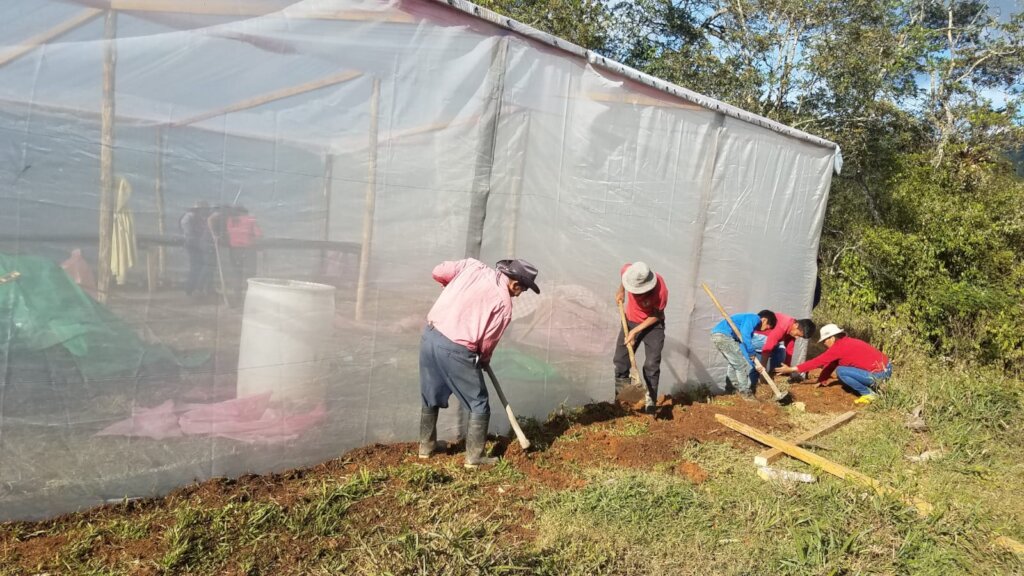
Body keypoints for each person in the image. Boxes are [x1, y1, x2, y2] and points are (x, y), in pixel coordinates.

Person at [419, 258, 540, 468]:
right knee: (479, 402)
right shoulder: (504, 303)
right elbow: (487, 342)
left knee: (430, 394)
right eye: (523, 290)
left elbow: (438, 271)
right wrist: (483, 359)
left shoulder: (472, 266)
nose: (520, 294)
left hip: (430, 337)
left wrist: (455, 289)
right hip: (456, 349)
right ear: (515, 284)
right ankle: (475, 458)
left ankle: (426, 447)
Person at [776, 324, 891, 405]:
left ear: (832, 338)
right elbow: (831, 363)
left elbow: (817, 362)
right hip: (887, 368)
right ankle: (873, 387)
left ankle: (869, 394)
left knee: (841, 371)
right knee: (842, 369)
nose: (824, 344)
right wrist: (822, 379)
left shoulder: (838, 348)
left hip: (880, 374)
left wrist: (791, 369)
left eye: (825, 341)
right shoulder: (846, 342)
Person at [614, 262, 668, 414]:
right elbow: (623, 278)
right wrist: (621, 291)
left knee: (651, 364)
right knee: (621, 361)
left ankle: (650, 403)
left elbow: (657, 315)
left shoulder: (660, 290)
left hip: (653, 325)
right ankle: (622, 402)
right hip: (630, 321)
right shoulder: (628, 271)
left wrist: (636, 331)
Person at [710, 310, 777, 400]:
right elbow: (745, 336)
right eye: (768, 327)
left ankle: (731, 390)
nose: (766, 329)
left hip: (719, 336)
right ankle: (745, 393)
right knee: (740, 365)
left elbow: (743, 347)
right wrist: (751, 352)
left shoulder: (749, 326)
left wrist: (755, 365)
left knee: (734, 364)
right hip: (723, 336)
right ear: (764, 320)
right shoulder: (754, 318)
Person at [751, 313, 816, 381]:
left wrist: (787, 370)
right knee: (780, 350)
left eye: (799, 336)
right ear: (796, 325)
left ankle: (771, 375)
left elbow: (789, 350)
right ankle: (764, 378)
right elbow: (768, 347)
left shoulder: (792, 329)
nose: (796, 337)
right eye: (797, 334)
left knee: (781, 350)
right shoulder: (783, 325)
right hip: (755, 336)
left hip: (764, 341)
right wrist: (762, 371)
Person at [223, 206, 262, 294]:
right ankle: (251, 292)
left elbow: (228, 234)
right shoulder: (250, 219)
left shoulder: (230, 220)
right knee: (250, 273)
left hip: (234, 250)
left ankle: (237, 294)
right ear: (244, 212)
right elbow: (258, 234)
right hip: (249, 249)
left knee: (237, 272)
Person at [179, 201, 211, 297]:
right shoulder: (190, 217)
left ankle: (193, 289)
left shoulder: (195, 217)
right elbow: (189, 232)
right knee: (196, 267)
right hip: (193, 245)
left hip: (196, 245)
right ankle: (190, 289)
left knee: (198, 267)